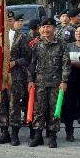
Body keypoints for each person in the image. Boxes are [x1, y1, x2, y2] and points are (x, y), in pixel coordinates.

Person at [28, 18, 70, 148]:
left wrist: (64, 81)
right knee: (39, 110)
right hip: (40, 83)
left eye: (49, 27)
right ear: (40, 29)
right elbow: (31, 65)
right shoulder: (36, 45)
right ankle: (38, 136)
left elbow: (66, 64)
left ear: (54, 29)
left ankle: (52, 136)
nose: (46, 30)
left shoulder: (61, 44)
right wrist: (30, 80)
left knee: (54, 111)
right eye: (43, 27)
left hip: (56, 84)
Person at [0, 12, 32, 146]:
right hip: (0, 77)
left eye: (10, 20)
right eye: (4, 20)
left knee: (14, 105)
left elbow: (28, 58)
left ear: (13, 22)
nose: (7, 22)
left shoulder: (20, 38)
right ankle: (4, 132)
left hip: (15, 77)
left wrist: (15, 62)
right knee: (2, 105)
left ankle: (14, 134)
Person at [63, 25, 80, 142]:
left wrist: (73, 62)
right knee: (69, 106)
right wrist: (76, 63)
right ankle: (69, 132)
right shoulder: (68, 46)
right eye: (76, 31)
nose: (78, 33)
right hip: (70, 79)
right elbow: (65, 62)